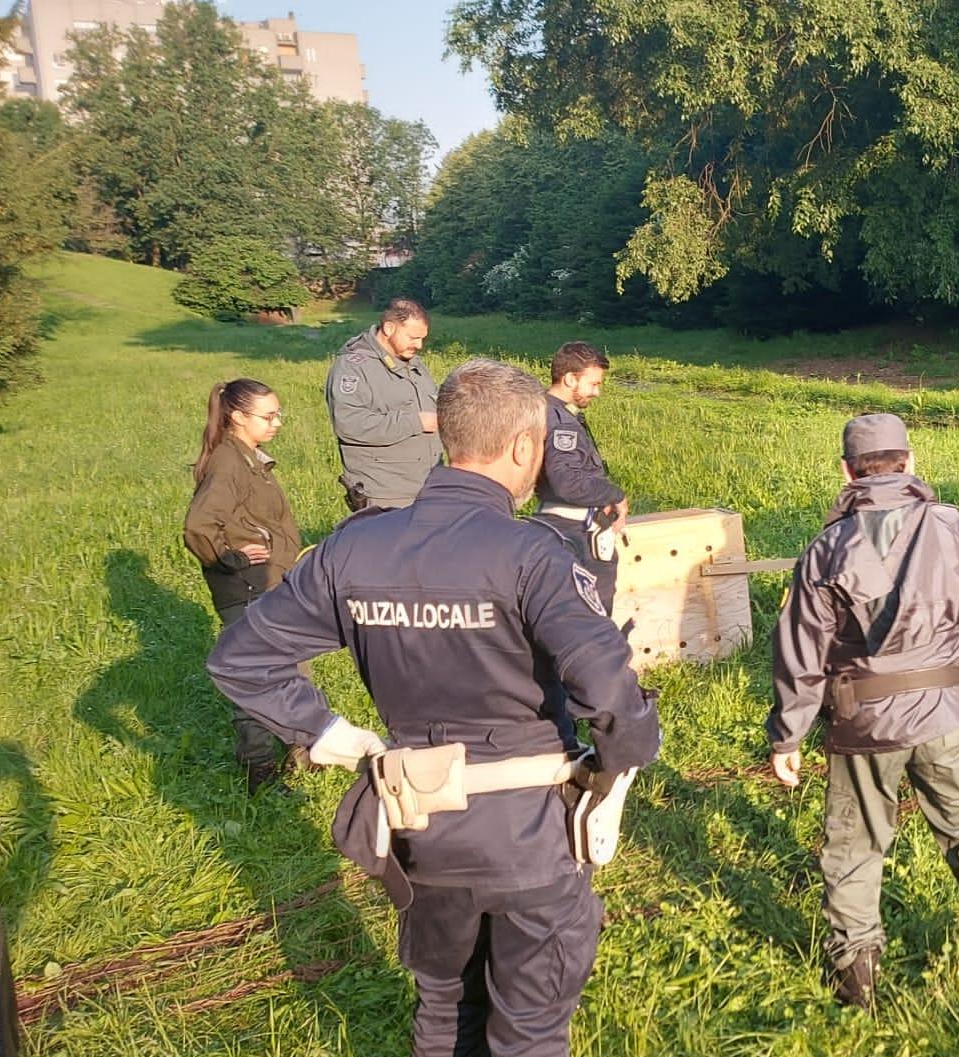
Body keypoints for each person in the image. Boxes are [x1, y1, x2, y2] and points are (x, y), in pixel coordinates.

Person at [206, 359, 661, 1056]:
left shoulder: (354, 547)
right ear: (522, 448)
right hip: (531, 840)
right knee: (530, 1028)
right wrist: (614, 768)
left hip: (424, 835)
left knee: (445, 1015)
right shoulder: (533, 554)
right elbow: (609, 687)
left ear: (448, 437)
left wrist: (327, 732)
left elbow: (239, 657)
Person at [768, 414, 959, 1016]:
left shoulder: (826, 548)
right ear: (910, 462)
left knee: (854, 847)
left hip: (862, 719)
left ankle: (856, 979)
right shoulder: (953, 525)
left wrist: (787, 734)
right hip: (948, 710)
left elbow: (799, 647)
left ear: (847, 471)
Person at [182, 378, 304, 794]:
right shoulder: (229, 462)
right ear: (237, 417)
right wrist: (228, 558)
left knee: (290, 667)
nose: (277, 423)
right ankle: (259, 768)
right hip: (249, 589)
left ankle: (300, 749)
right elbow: (199, 525)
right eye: (268, 416)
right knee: (255, 676)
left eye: (278, 414)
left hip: (270, 583)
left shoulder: (249, 457)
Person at [535, 341, 628, 613]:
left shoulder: (542, 409)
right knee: (593, 615)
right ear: (569, 379)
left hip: (553, 524)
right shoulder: (561, 422)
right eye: (594, 384)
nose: (597, 392)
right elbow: (568, 481)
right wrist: (614, 494)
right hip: (577, 532)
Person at [327, 297, 440, 511]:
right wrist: (416, 422)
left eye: (422, 338)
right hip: (385, 494)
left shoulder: (412, 363)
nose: (419, 345)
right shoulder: (353, 367)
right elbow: (349, 424)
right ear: (389, 328)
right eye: (413, 337)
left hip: (424, 487)